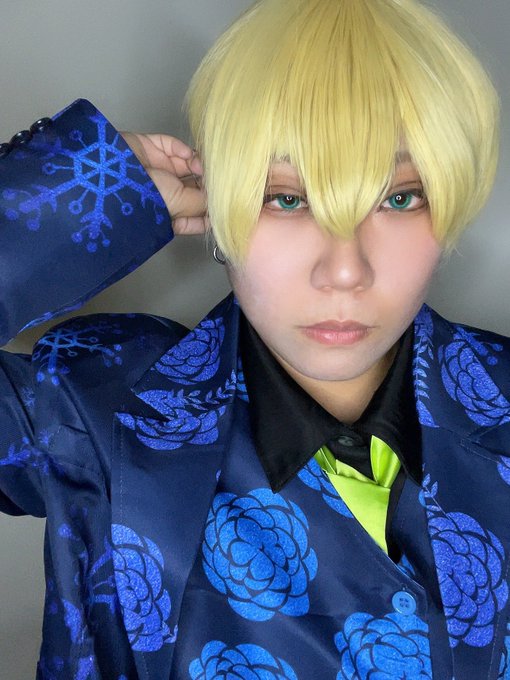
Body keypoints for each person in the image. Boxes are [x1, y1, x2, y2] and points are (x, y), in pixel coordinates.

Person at [0, 0, 508, 678]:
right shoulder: (93, 409)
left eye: (399, 198)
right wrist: (85, 189)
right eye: (286, 198)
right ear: (222, 207)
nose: (345, 270)